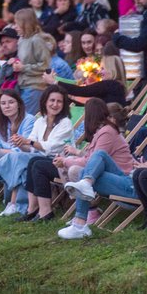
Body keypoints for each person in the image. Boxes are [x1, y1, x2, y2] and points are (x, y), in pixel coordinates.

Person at [56, 99, 132, 238]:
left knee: (79, 170)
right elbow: (90, 160)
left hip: (124, 180)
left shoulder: (107, 132)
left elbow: (92, 159)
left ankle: (84, 219)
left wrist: (66, 160)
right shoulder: (103, 131)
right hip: (113, 175)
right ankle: (80, 222)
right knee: (81, 171)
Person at [0, 86, 74, 220]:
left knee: (34, 163)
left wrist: (29, 142)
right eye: (52, 100)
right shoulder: (40, 121)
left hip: (62, 163)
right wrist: (21, 144)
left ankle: (41, 210)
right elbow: (31, 147)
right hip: (41, 158)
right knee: (30, 161)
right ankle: (32, 209)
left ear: (63, 104)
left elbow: (51, 147)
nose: (55, 104)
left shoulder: (65, 123)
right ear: (45, 102)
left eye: (59, 101)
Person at [45, 52, 128, 105]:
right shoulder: (117, 86)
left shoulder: (110, 85)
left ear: (111, 69)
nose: (99, 72)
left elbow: (81, 91)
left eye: (103, 68)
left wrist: (55, 82)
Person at [12, 8, 50, 114]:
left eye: (17, 24)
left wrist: (23, 68)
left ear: (25, 24)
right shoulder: (21, 39)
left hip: (34, 87)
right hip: (22, 85)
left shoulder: (37, 40)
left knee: (25, 118)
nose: (15, 27)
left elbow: (45, 65)